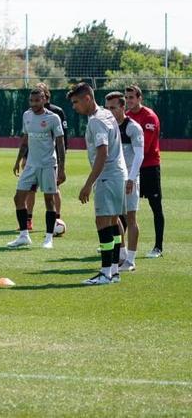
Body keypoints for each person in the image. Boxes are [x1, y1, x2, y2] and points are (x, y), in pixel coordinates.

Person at [67, 82, 128, 285]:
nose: (74, 106)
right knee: (111, 221)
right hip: (118, 174)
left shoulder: (96, 121)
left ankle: (104, 273)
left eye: (76, 102)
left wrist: (88, 184)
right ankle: (113, 271)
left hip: (108, 175)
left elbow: (103, 152)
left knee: (102, 222)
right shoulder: (106, 114)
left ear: (87, 98)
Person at [7, 87, 66, 249]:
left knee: (49, 200)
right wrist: (18, 160)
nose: (34, 103)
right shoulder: (27, 115)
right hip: (31, 165)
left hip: (48, 164)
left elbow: (60, 144)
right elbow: (25, 140)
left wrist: (61, 168)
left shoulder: (53, 118)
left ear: (44, 100)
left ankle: (48, 238)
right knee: (18, 198)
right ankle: (24, 236)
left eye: (37, 100)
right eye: (31, 101)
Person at [105, 92, 144, 272]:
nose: (109, 111)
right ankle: (121, 253)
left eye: (113, 107)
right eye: (107, 108)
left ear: (122, 107)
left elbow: (139, 155)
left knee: (131, 218)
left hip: (129, 178)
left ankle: (131, 259)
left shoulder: (133, 127)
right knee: (114, 216)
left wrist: (131, 178)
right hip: (115, 177)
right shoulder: (109, 126)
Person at [124, 84, 164, 258]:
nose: (128, 101)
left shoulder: (149, 117)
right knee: (125, 207)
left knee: (156, 207)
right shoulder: (126, 117)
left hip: (149, 168)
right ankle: (120, 244)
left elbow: (144, 148)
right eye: (126, 98)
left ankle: (158, 247)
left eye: (131, 97)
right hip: (131, 168)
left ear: (140, 98)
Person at [22, 83, 68, 230]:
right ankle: (28, 219)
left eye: (39, 96)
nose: (35, 101)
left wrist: (61, 162)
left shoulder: (56, 113)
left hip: (49, 160)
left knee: (53, 191)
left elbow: (62, 138)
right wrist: (24, 157)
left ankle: (56, 219)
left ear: (45, 97)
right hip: (33, 159)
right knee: (30, 190)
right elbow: (27, 137)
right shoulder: (28, 114)